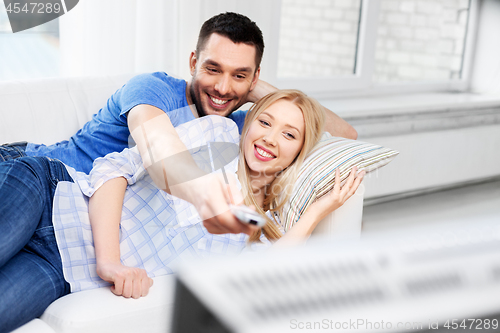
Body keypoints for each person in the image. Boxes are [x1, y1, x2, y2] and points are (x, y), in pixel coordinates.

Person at [0, 90, 364, 332]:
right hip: (48, 194)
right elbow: (114, 170)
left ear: (300, 150)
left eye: (289, 134)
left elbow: (269, 269)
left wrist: (319, 210)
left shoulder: (257, 226)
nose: (269, 138)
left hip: (61, 268)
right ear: (250, 124)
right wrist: (110, 261)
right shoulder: (217, 135)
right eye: (266, 122)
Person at [0, 12, 358, 237]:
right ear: (192, 61)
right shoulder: (153, 89)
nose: (222, 87)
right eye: (213, 68)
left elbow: (344, 134)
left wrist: (262, 94)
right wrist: (209, 199)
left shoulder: (243, 127)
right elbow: (159, 148)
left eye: (239, 75)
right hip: (32, 169)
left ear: (255, 77)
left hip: (72, 214)